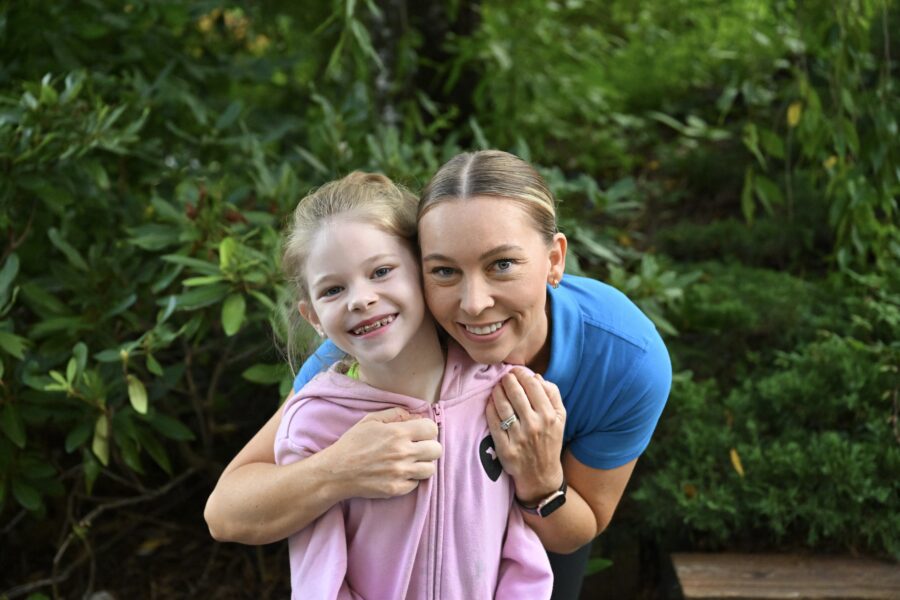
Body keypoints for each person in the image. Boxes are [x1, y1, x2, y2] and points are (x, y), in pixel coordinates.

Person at [205, 151, 672, 600]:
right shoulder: (371, 346)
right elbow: (227, 513)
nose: (474, 303)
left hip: (543, 526)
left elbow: (579, 527)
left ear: (554, 260)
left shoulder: (626, 358)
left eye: (502, 265)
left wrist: (541, 481)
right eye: (445, 271)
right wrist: (339, 470)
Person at [271, 171, 552, 598]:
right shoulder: (313, 424)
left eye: (382, 271)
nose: (360, 299)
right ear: (313, 318)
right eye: (333, 289)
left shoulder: (506, 394)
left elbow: (522, 551)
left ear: (424, 274)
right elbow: (319, 579)